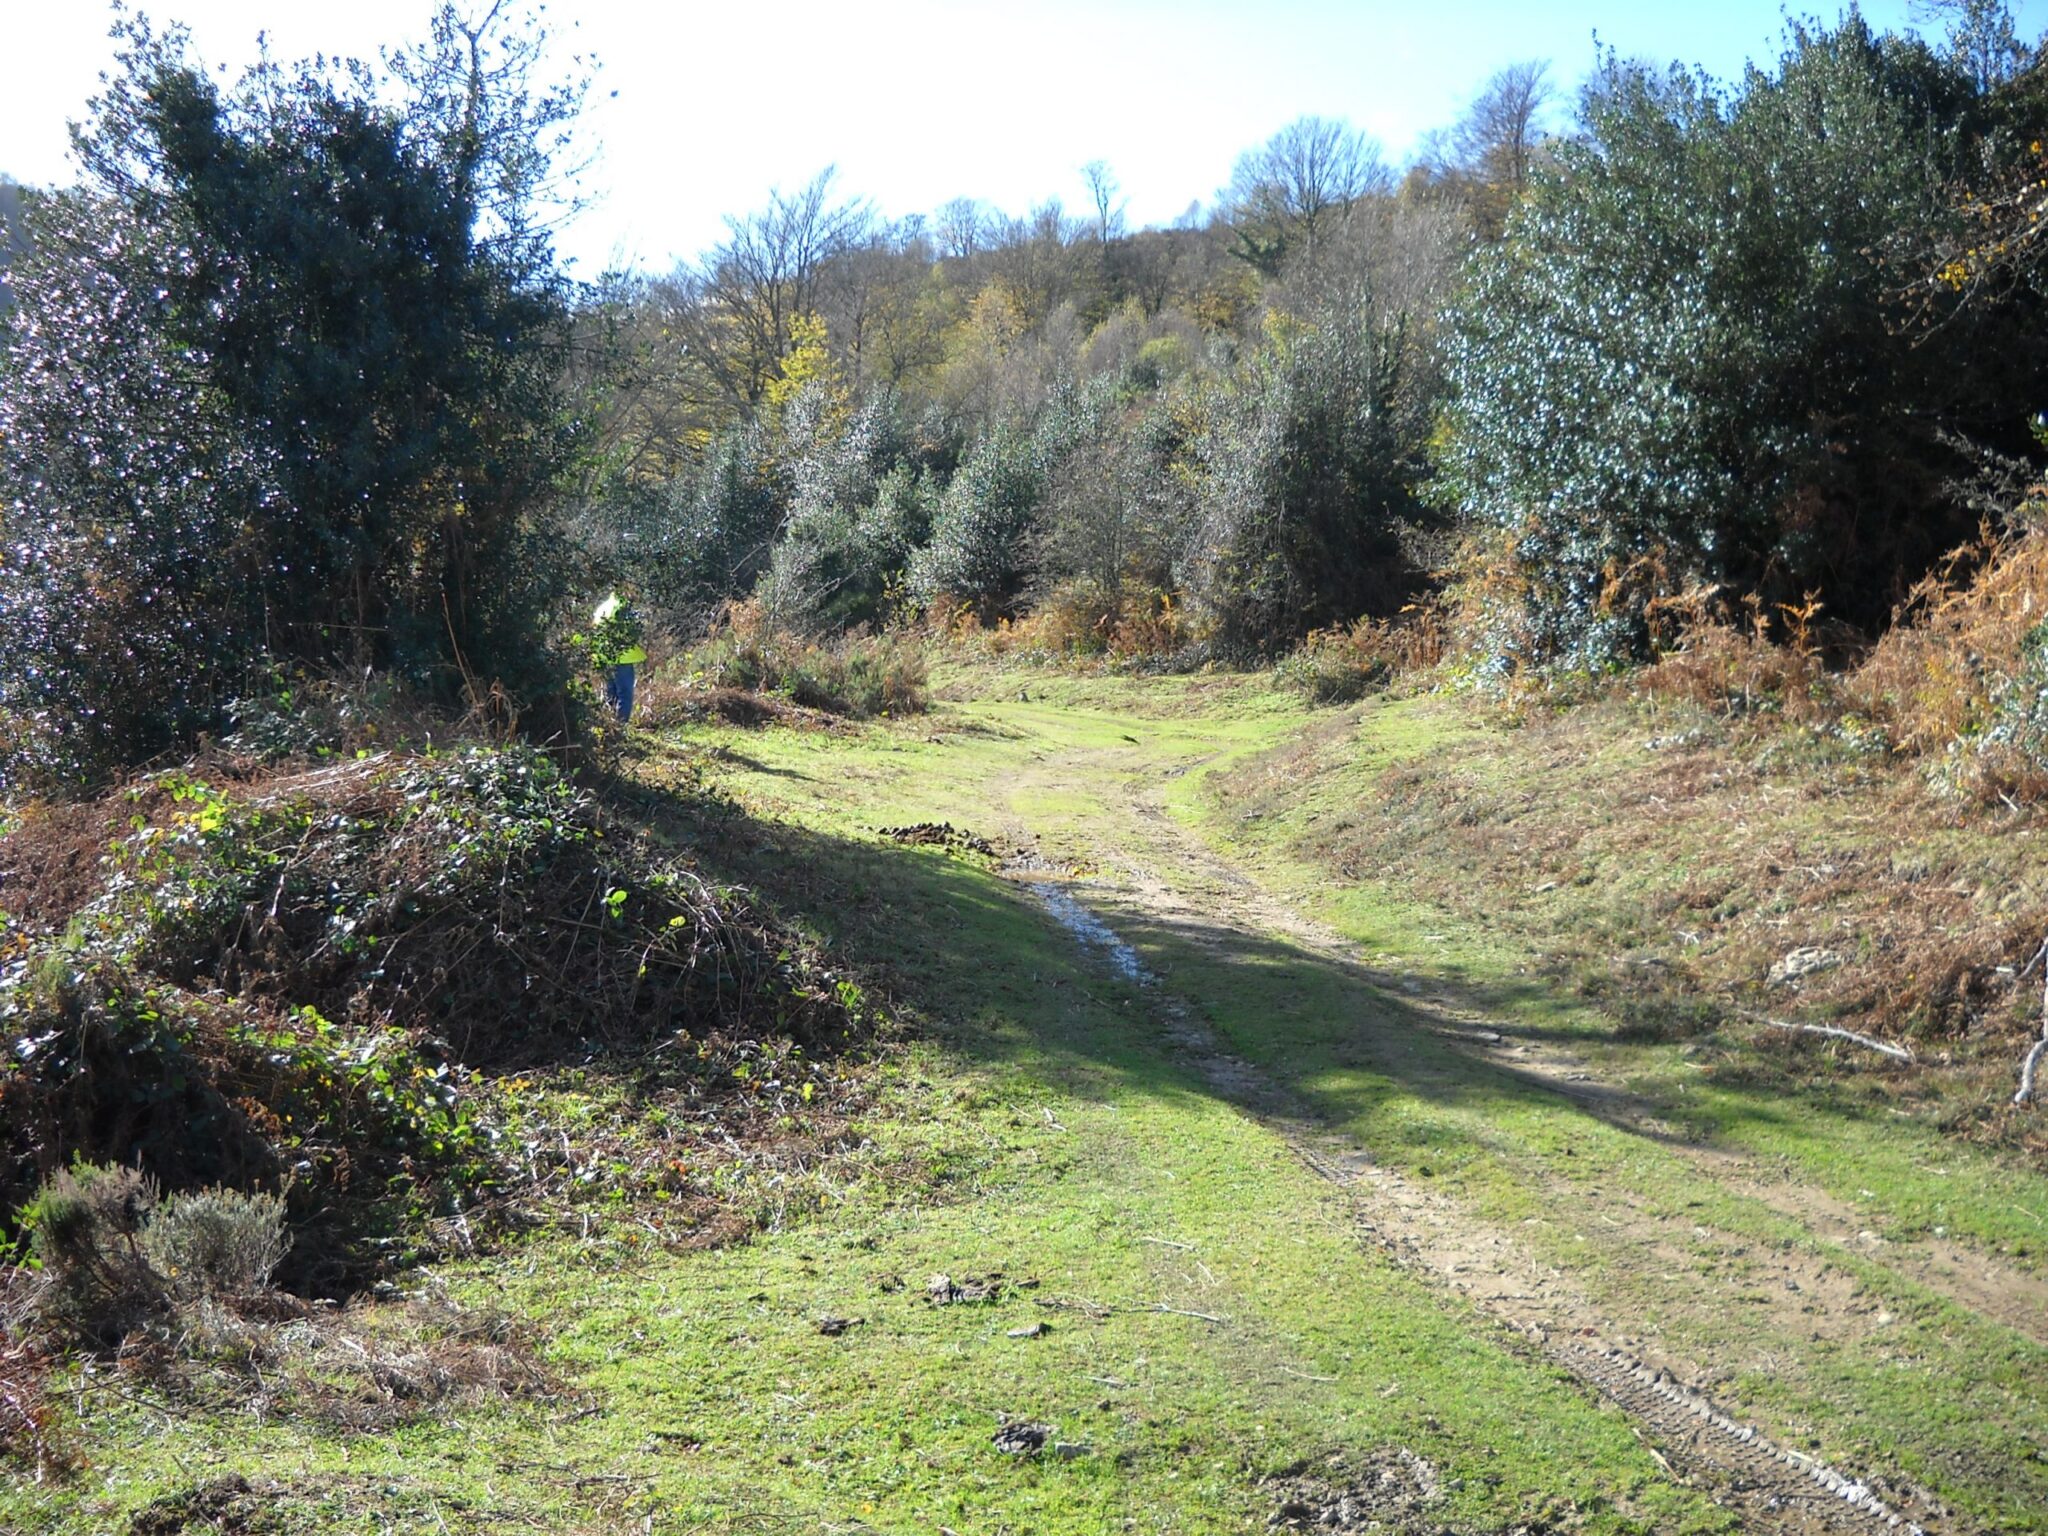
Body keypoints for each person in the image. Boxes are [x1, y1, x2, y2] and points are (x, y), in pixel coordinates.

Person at [589, 590, 647, 722]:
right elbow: (634, 630)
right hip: (623, 656)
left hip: (604, 656)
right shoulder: (623, 607)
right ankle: (621, 726)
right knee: (624, 694)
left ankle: (610, 724)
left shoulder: (602, 608)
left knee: (611, 693)